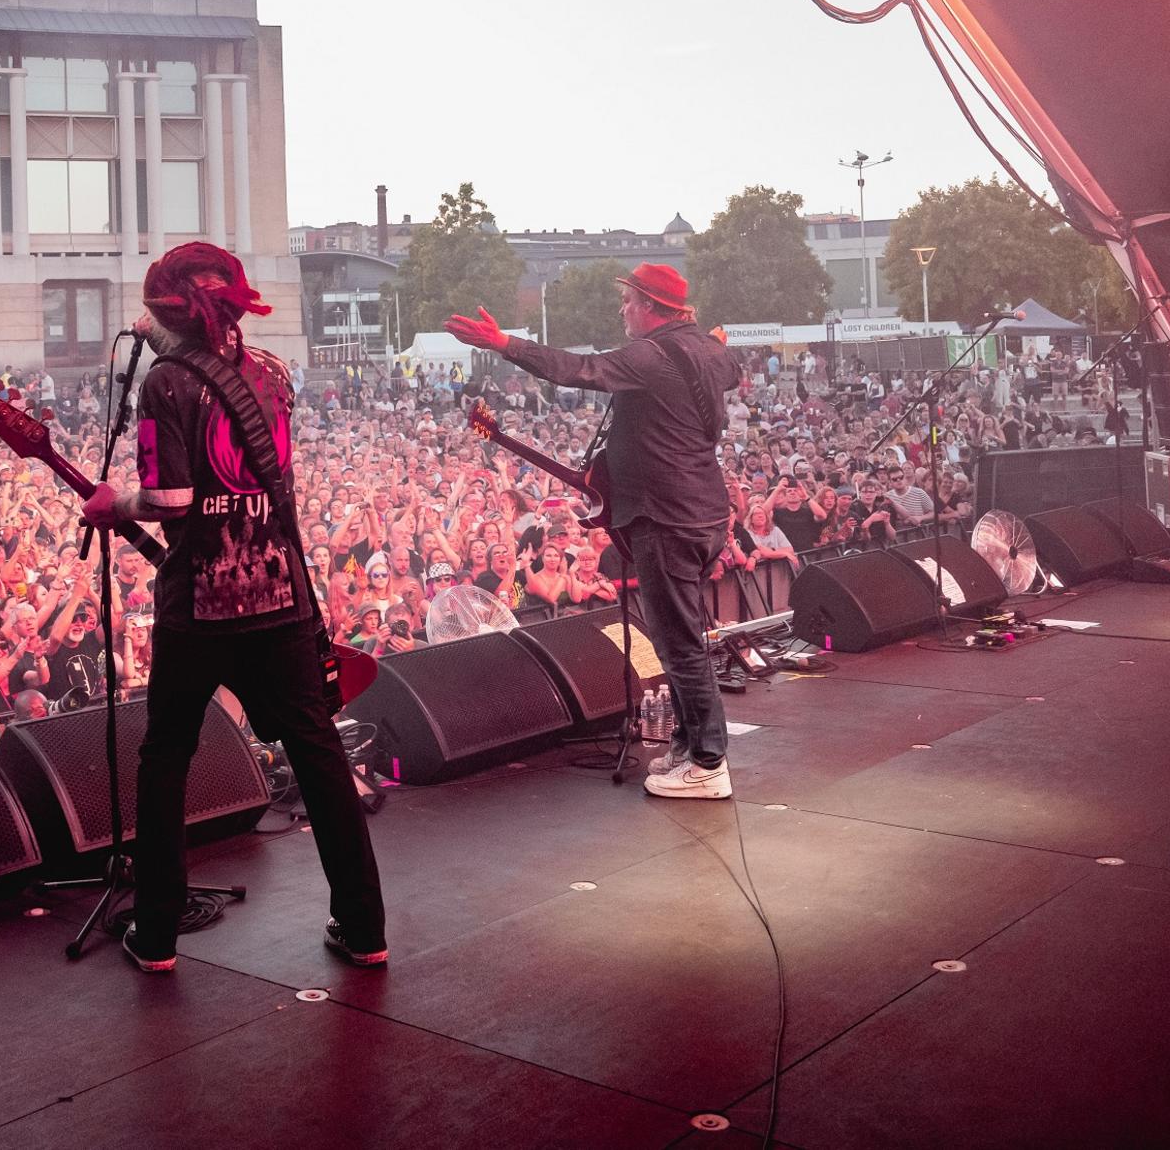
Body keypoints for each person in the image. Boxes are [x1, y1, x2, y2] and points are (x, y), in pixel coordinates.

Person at [83, 242, 386, 974]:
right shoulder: (274, 374)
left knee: (166, 760)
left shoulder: (163, 386)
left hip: (201, 605)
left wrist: (111, 503)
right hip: (279, 595)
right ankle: (366, 927)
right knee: (318, 754)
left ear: (167, 313)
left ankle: (156, 938)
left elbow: (170, 502)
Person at [448, 262, 740, 799]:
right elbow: (729, 368)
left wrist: (504, 342)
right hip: (702, 510)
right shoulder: (707, 348)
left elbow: (577, 370)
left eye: (628, 302)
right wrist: (710, 345)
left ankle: (709, 761)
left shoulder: (649, 356)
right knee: (682, 636)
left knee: (679, 645)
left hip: (667, 516)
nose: (622, 310)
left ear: (650, 306)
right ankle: (689, 744)